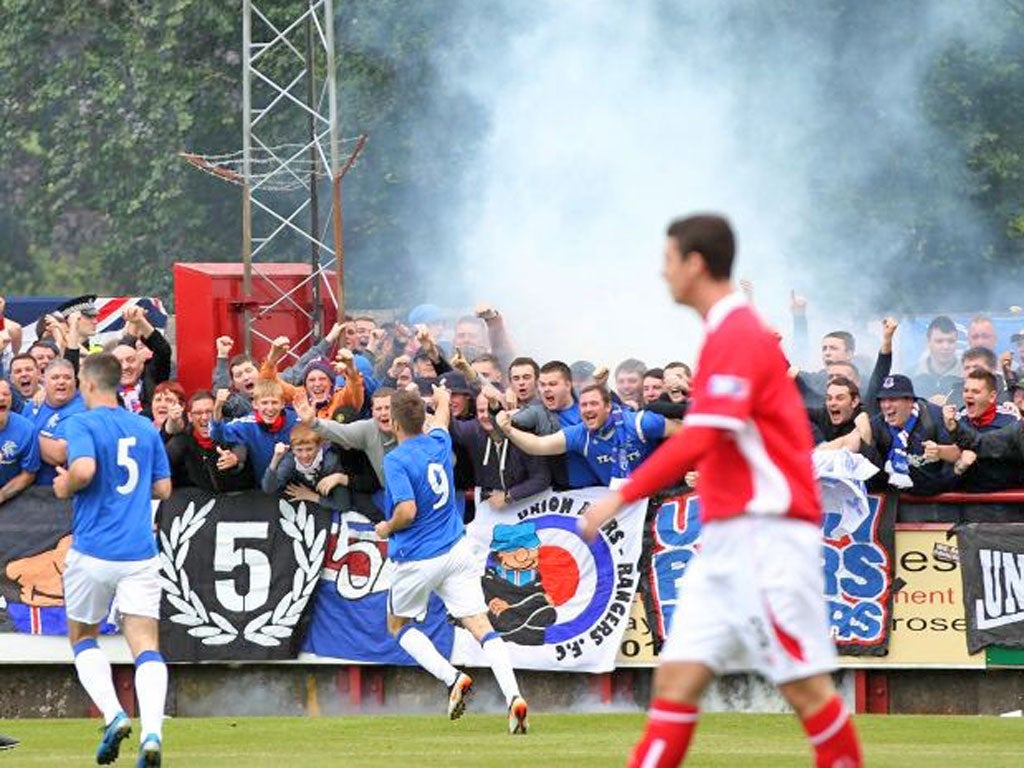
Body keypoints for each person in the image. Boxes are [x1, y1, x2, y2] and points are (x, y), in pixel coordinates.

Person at [579, 214, 862, 768]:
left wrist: (622, 494)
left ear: (695, 264)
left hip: (767, 534)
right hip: (729, 536)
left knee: (805, 688)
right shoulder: (722, 333)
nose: (662, 273)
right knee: (677, 680)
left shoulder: (738, 331)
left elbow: (708, 430)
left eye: (667, 260)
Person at [376, 386, 528, 733]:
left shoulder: (396, 459)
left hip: (417, 557)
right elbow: (443, 413)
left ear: (396, 425)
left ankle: (453, 678)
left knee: (397, 625)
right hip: (456, 550)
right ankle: (514, 697)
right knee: (481, 627)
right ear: (423, 418)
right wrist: (439, 396)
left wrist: (386, 528)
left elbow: (407, 511)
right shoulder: (438, 442)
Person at [53, 353, 172, 767]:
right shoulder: (143, 427)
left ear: (87, 383)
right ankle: (153, 733)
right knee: (146, 647)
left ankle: (115, 714)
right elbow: (164, 487)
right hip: (139, 553)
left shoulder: (81, 423)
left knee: (83, 637)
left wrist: (65, 485)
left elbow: (83, 470)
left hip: (93, 551)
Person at [498, 384, 679, 486]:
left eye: (593, 404)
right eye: (584, 405)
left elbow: (688, 432)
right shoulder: (580, 434)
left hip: (658, 495)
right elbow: (538, 446)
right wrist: (509, 430)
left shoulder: (640, 423)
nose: (588, 409)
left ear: (608, 406)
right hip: (623, 505)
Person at [0, 380, 39, 505]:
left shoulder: (26, 429)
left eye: (6, 394)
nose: (1, 398)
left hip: (12, 500)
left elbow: (28, 474)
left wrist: (2, 495)